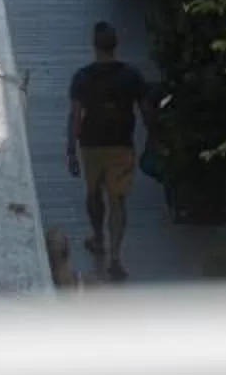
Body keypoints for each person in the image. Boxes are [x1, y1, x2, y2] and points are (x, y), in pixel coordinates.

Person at [66, 20, 158, 282]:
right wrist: (153, 137)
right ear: (116, 45)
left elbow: (75, 116)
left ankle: (97, 237)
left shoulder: (82, 77)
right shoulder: (131, 75)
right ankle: (116, 257)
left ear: (94, 45)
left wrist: (71, 149)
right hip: (121, 144)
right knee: (118, 200)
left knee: (93, 193)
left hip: (91, 145)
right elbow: (146, 110)